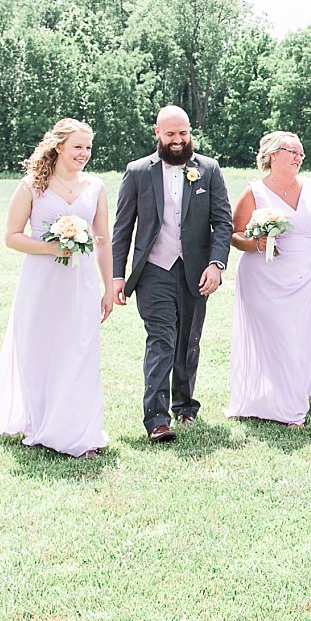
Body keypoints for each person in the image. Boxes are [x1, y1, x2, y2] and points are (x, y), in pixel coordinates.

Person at [0, 118, 118, 456]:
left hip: (80, 284)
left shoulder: (96, 187)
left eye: (87, 147)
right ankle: (40, 423)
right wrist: (53, 247)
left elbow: (101, 240)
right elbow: (12, 237)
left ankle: (79, 432)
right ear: (59, 147)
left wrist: (108, 286)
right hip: (40, 283)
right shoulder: (32, 186)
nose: (83, 154)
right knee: (41, 350)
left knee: (81, 351)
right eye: (77, 147)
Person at [111, 106, 233, 441]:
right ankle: (157, 420)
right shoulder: (137, 172)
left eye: (183, 133)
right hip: (153, 271)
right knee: (162, 339)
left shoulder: (209, 170)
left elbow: (223, 222)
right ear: (157, 133)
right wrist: (117, 275)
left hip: (195, 271)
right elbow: (122, 228)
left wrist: (216, 264)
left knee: (188, 342)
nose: (178, 141)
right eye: (170, 135)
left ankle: (185, 405)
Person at [226, 131, 311, 425]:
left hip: (306, 276)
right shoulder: (254, 192)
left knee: (300, 338)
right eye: (293, 152)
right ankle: (281, 401)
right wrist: (257, 244)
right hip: (264, 279)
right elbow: (234, 235)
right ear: (273, 155)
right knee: (275, 338)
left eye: (301, 154)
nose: (299, 158)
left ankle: (294, 395)